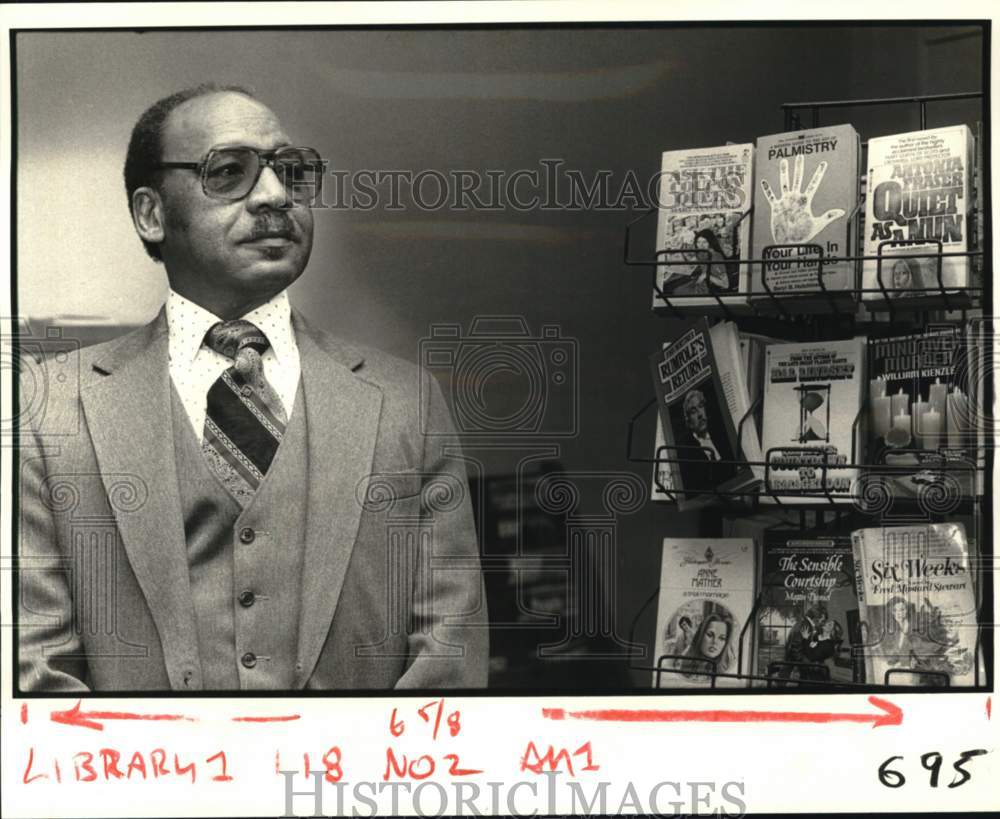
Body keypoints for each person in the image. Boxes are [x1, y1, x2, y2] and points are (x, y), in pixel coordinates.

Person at [18, 84, 488, 691]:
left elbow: (449, 651)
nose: (274, 195)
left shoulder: (406, 402)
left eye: (291, 172)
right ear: (151, 214)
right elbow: (34, 671)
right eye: (229, 172)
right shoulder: (47, 410)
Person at [674, 388, 736, 493]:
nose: (700, 414)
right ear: (688, 421)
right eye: (693, 411)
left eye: (701, 406)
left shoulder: (721, 435)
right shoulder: (687, 451)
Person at [678, 611, 736, 681]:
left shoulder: (728, 669)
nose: (715, 642)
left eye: (722, 638)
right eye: (710, 635)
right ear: (701, 635)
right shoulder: (684, 659)